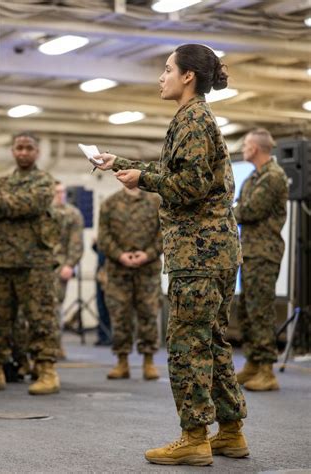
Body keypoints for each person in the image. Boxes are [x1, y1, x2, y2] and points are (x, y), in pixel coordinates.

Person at [94, 44, 248, 466]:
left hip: (198, 253)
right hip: (211, 252)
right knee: (211, 341)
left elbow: (190, 187)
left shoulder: (193, 120)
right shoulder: (193, 118)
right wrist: (121, 164)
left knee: (187, 345)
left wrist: (143, 180)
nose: (161, 78)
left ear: (188, 76)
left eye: (167, 70)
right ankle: (230, 431)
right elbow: (177, 174)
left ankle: (194, 437)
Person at [0, 132, 61, 395]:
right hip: (1, 260)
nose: (23, 152)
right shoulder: (1, 183)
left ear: (37, 152)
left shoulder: (44, 181)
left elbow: (32, 203)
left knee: (40, 317)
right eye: (18, 148)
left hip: (34, 262)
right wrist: (2, 205)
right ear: (12, 151)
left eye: (28, 148)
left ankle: (46, 370)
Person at [234, 128, 288, 391]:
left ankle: (267, 371)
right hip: (250, 251)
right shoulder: (254, 177)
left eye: (246, 144)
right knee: (247, 309)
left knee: (261, 311)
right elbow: (242, 207)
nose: (243, 148)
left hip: (264, 253)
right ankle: (253, 363)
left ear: (255, 148)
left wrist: (223, 213)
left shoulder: (272, 176)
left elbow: (250, 210)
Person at [98, 186, 163, 381]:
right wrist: (120, 255)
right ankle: (122, 361)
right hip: (118, 271)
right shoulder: (110, 203)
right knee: (120, 315)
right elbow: (103, 237)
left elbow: (164, 232)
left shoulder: (155, 202)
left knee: (149, 313)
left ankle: (149, 361)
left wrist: (148, 254)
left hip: (147, 270)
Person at [52, 180, 84, 356]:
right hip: (40, 264)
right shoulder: (42, 211)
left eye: (63, 192)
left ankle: (56, 344)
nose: (61, 195)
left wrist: (70, 265)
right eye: (57, 192)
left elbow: (76, 243)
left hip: (60, 264)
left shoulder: (73, 214)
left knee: (56, 305)